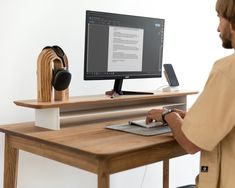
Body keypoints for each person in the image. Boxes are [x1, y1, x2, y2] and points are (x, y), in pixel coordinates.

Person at [145, 0, 235, 187]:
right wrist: (185, 117)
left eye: (220, 18)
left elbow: (190, 143)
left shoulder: (227, 71)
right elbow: (223, 123)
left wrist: (167, 114)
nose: (218, 28)